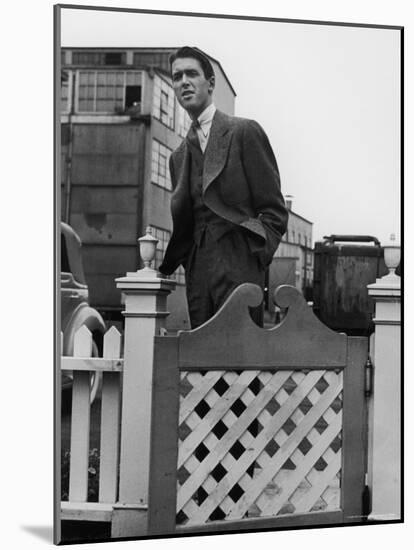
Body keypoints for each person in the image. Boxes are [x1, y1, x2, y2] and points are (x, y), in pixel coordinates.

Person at [159, 46, 288, 329]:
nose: (184, 82)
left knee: (241, 362)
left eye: (191, 74)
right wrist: (191, 263)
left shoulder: (244, 132)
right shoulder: (177, 157)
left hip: (239, 267)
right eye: (177, 76)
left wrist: (251, 257)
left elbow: (275, 212)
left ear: (211, 83)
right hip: (198, 273)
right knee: (203, 363)